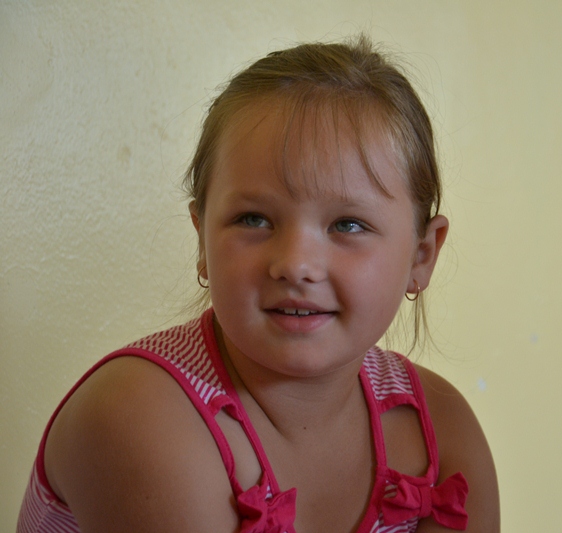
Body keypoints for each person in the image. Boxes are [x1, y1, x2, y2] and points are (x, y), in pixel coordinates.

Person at [18, 35, 500, 533]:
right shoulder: (138, 414)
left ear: (422, 255)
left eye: (348, 225)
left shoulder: (443, 431)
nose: (295, 265)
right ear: (202, 239)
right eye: (253, 219)